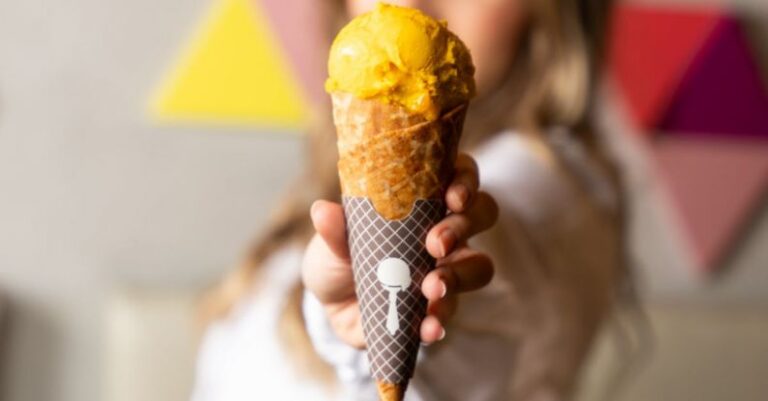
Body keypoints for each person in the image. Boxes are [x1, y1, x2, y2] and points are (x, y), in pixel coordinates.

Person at [191, 0, 625, 400]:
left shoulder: (551, 182)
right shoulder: (327, 175)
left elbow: (491, 272)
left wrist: (409, 305)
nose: (412, 5)